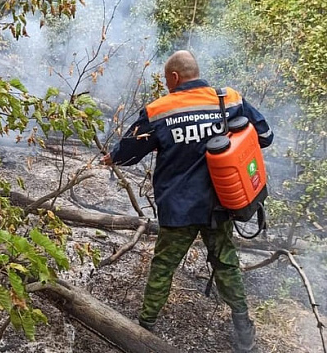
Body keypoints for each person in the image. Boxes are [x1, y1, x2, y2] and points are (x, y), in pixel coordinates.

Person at [101, 50, 273, 352]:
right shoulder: (229, 99)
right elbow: (266, 135)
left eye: (167, 80)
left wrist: (110, 158)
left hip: (178, 207)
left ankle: (144, 329)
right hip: (220, 204)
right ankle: (244, 333)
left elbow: (128, 153)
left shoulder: (159, 110)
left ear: (175, 77)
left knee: (164, 266)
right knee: (227, 265)